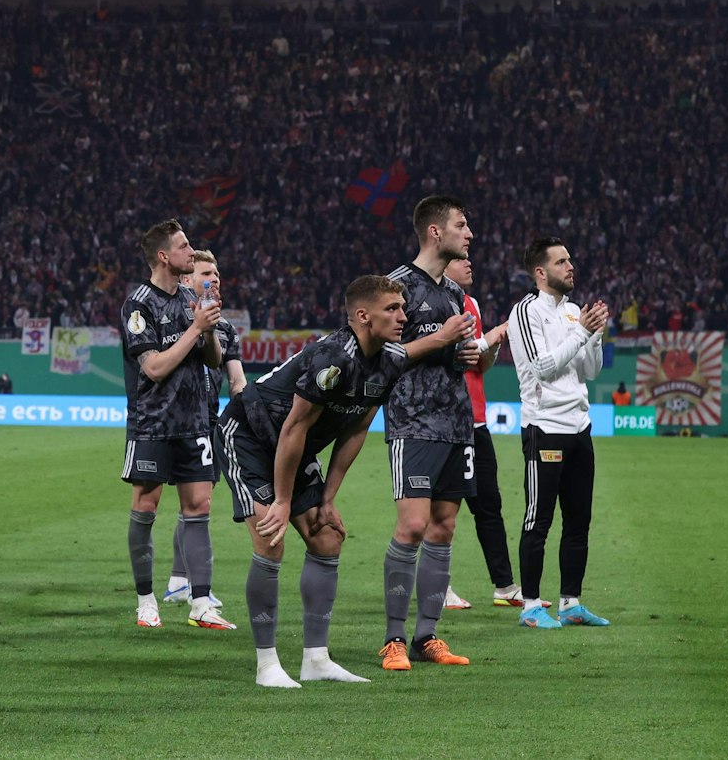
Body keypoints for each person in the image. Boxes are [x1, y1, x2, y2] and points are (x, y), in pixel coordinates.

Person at [219, 275, 472, 687]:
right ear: (362, 315)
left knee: (326, 537)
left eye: (403, 308)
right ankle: (267, 665)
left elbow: (356, 428)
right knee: (271, 538)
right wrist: (284, 500)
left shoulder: (389, 360)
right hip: (249, 433)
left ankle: (315, 660)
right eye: (392, 309)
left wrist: (328, 496)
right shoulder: (333, 357)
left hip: (289, 446)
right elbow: (294, 428)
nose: (403, 316)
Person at [378, 196, 486, 671]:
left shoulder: (454, 296)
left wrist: (466, 354)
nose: (470, 234)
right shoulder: (396, 287)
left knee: (444, 528)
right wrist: (440, 340)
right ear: (435, 232)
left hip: (456, 424)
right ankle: (393, 639)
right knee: (413, 526)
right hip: (412, 423)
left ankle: (427, 636)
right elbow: (382, 356)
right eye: (462, 226)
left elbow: (457, 355)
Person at [121, 219, 229, 632]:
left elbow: (213, 360)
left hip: (195, 421)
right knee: (146, 506)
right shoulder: (139, 304)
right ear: (165, 256)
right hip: (152, 424)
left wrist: (210, 329)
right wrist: (195, 328)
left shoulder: (190, 297)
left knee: (198, 507)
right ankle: (146, 600)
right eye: (184, 246)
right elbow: (153, 367)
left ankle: (201, 602)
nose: (192, 250)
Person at [506, 236, 611, 629]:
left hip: (579, 427)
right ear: (540, 272)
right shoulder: (525, 312)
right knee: (539, 519)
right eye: (562, 261)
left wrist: (595, 335)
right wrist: (583, 332)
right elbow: (543, 368)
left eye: (570, 259)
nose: (571, 266)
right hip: (545, 427)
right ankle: (532, 606)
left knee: (579, 520)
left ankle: (571, 602)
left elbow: (590, 372)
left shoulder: (571, 313)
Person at [166, 248, 244, 606]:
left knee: (196, 506)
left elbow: (237, 379)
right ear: (186, 280)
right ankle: (183, 586)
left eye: (217, 274)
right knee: (190, 507)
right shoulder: (172, 321)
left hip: (208, 424)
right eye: (206, 274)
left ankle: (180, 582)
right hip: (174, 423)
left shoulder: (225, 328)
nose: (215, 280)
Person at [444, 258, 519, 611]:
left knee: (489, 505)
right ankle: (439, 587)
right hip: (445, 423)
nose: (470, 262)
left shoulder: (470, 304)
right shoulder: (436, 304)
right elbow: (460, 354)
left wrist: (496, 343)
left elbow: (480, 363)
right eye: (462, 259)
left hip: (476, 420)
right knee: (442, 510)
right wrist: (491, 336)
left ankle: (505, 586)